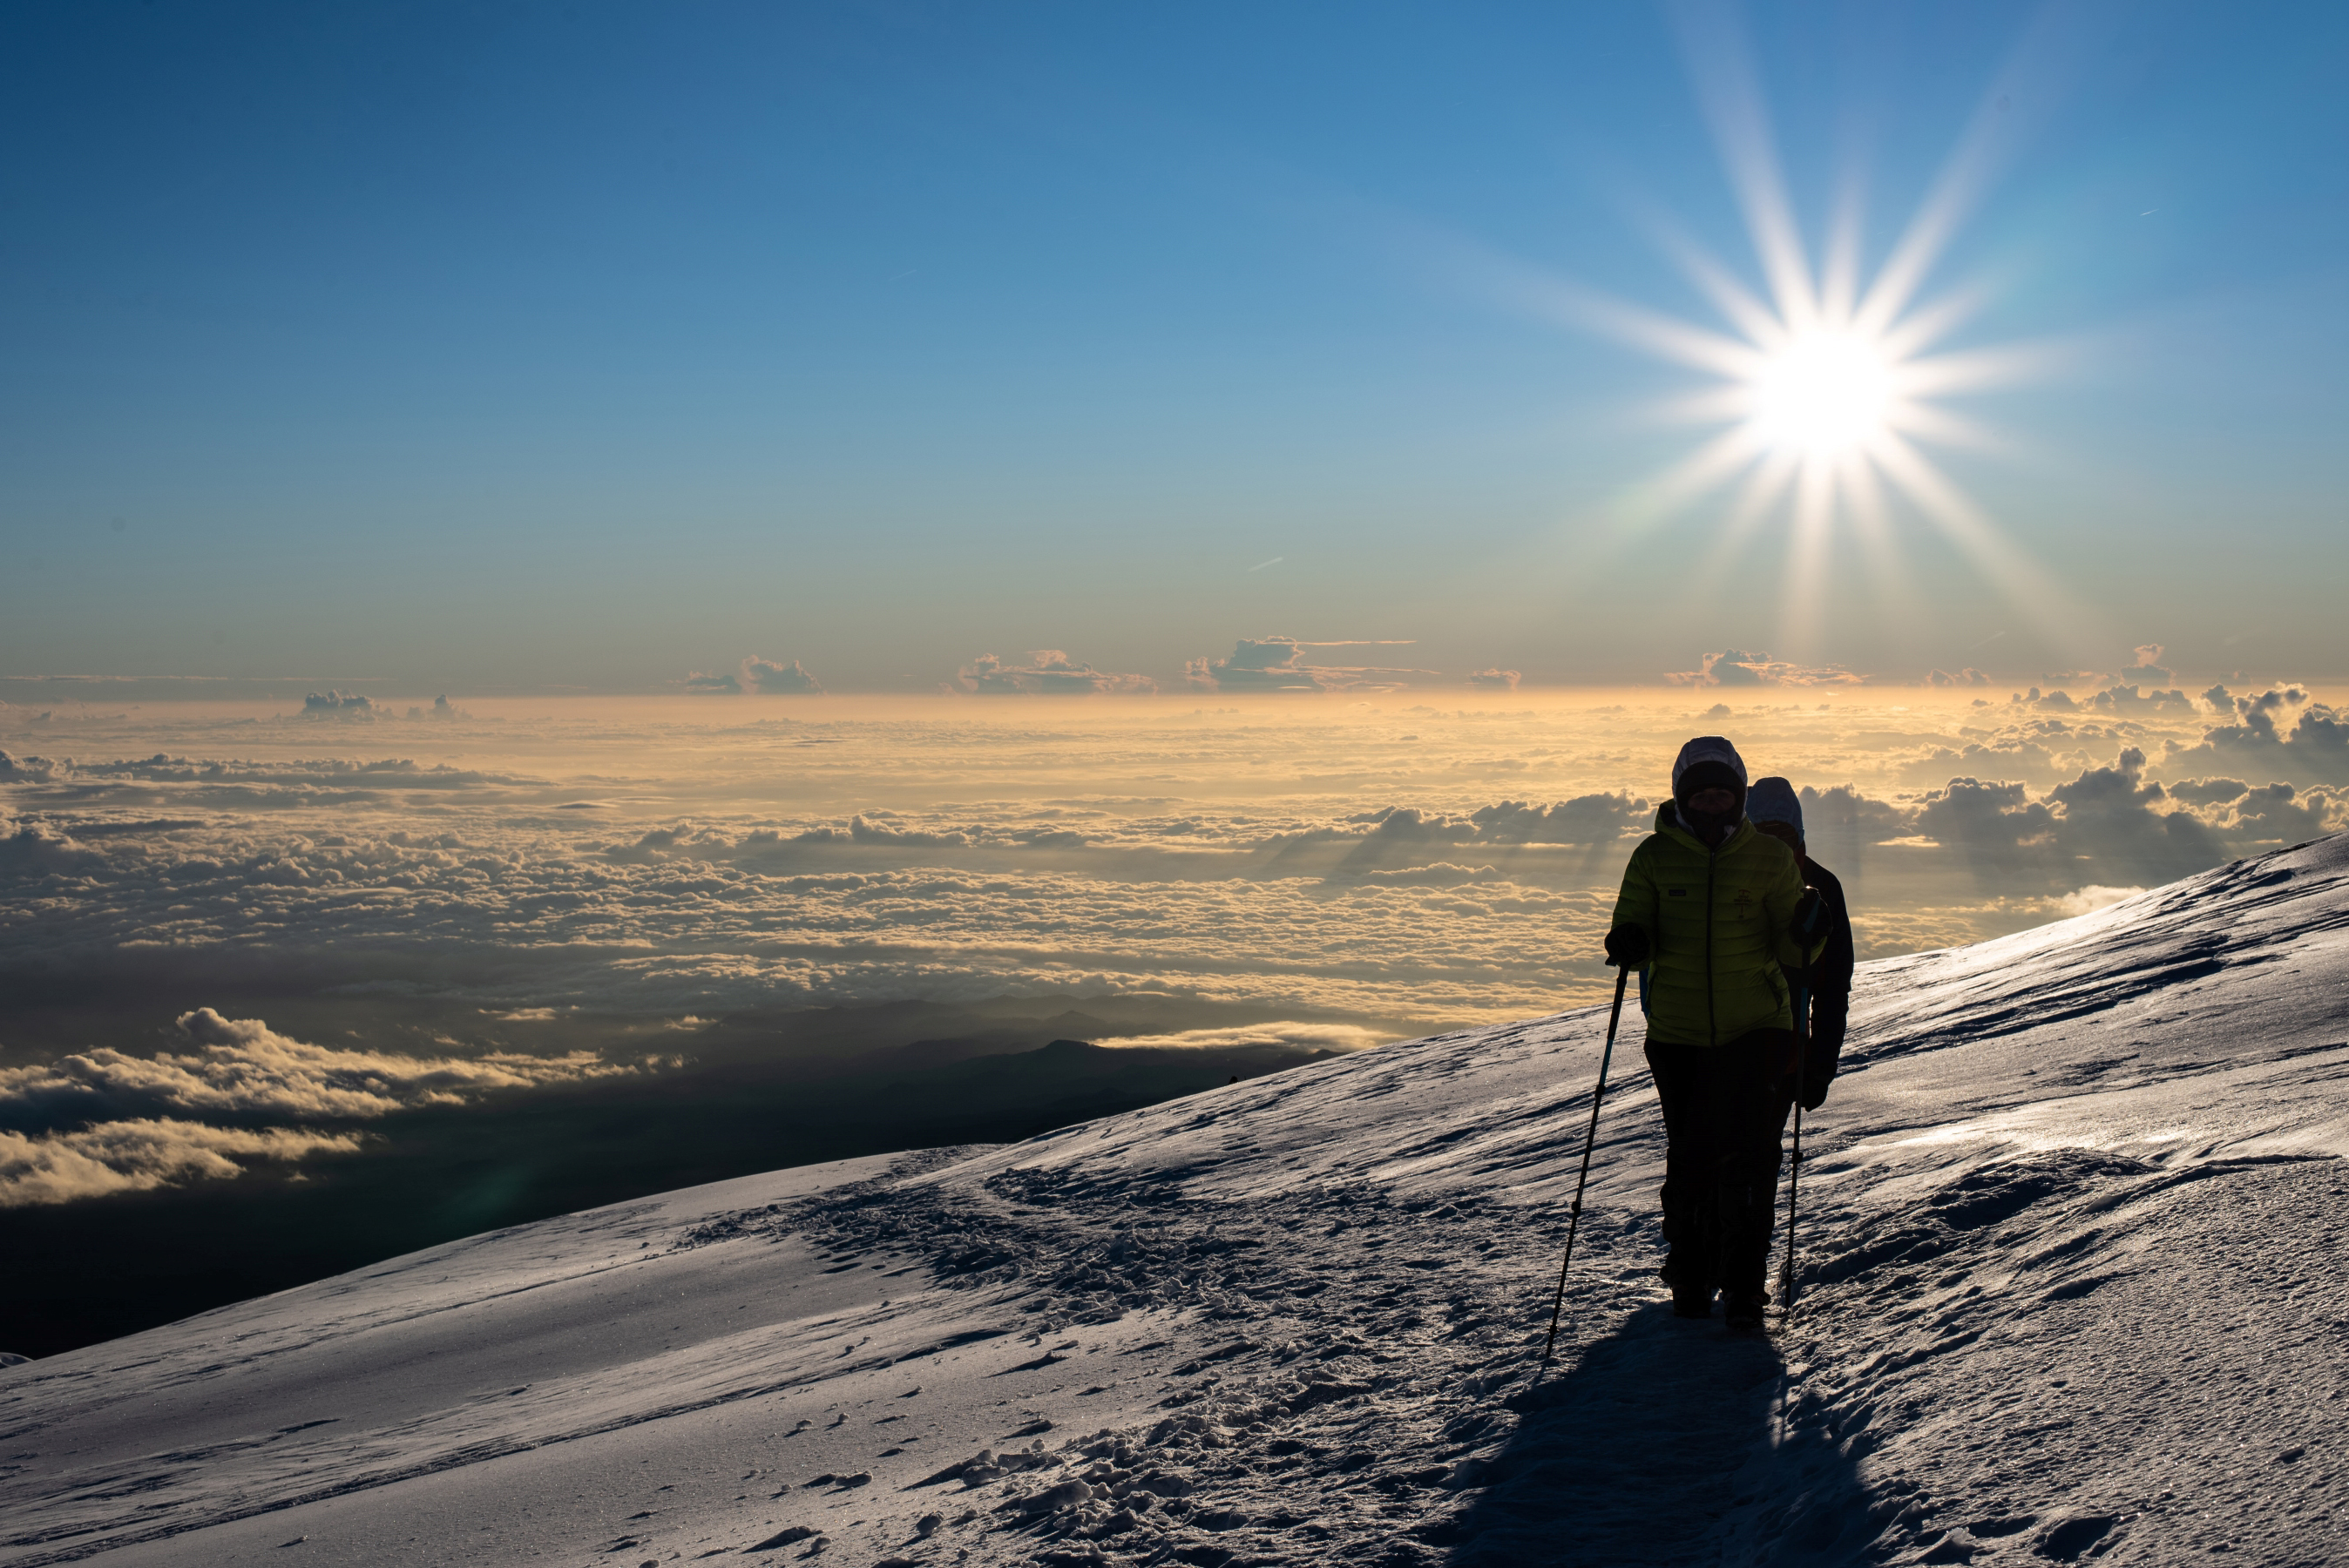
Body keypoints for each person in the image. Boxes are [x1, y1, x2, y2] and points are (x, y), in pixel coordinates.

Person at [1603, 737, 1821, 1330]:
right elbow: (1632, 919)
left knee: (1747, 1157)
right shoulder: (1652, 858)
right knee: (1692, 1156)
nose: (1711, 803)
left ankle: (1745, 1286)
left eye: (1722, 793)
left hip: (1757, 1026)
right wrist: (1628, 941)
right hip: (1678, 1032)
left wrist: (1807, 929)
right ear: (1682, 797)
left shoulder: (1769, 860)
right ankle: (1692, 1274)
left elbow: (1790, 948)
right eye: (1700, 795)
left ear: (1739, 797)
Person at [1744, 776, 1854, 1112]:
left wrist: (1819, 1067)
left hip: (1785, 1057)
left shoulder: (1822, 891)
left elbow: (1832, 986)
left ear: (1800, 841)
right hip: (1724, 1053)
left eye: (1784, 838)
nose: (1776, 850)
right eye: (1765, 837)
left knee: (1756, 1157)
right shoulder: (1729, 880)